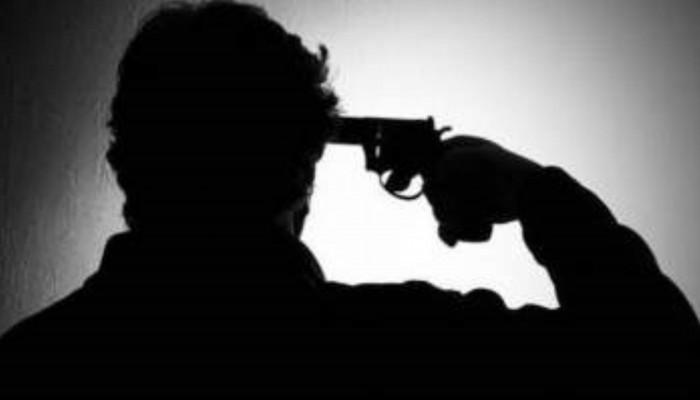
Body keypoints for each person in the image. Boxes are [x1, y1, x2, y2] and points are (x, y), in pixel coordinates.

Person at [1, 1, 697, 398]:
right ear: (306, 166)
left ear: (123, 164)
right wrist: (534, 189)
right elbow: (662, 364)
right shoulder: (407, 348)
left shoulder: (30, 363)